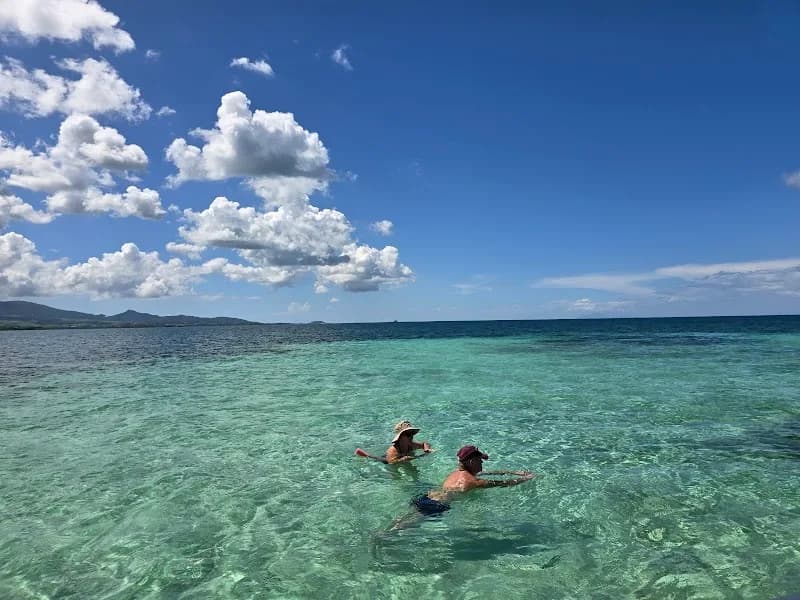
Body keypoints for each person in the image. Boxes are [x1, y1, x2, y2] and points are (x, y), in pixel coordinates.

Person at [410, 445, 534, 516]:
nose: (482, 464)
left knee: (401, 523)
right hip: (435, 506)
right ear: (471, 461)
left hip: (426, 497)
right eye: (480, 460)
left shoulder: (455, 473)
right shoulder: (473, 482)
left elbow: (486, 473)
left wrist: (512, 472)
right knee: (404, 528)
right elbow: (504, 484)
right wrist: (526, 479)